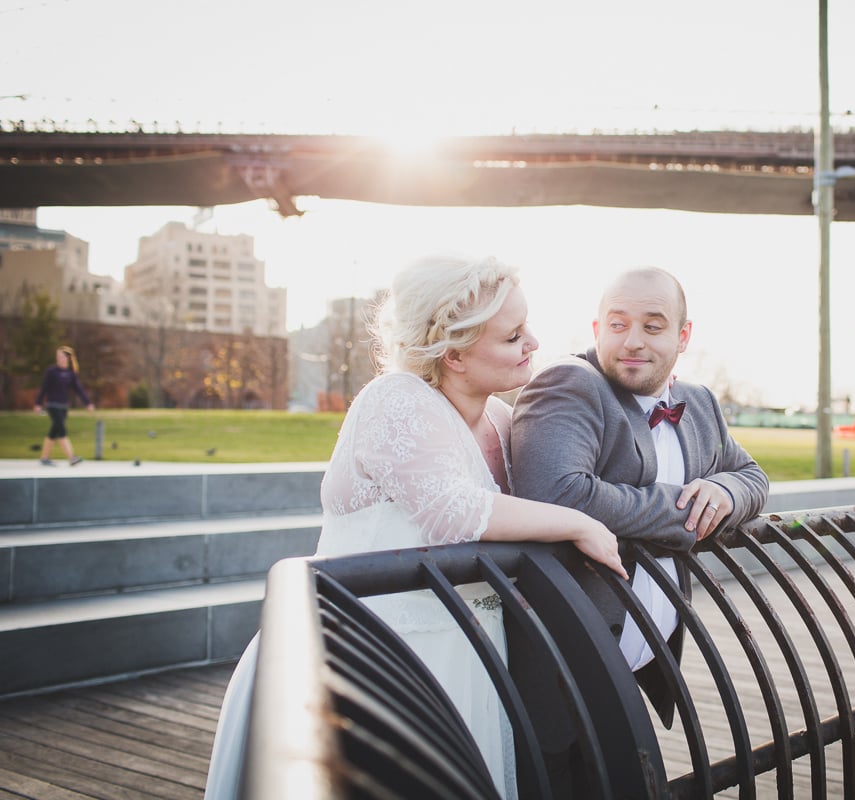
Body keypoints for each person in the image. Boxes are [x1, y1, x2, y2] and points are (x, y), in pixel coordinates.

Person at [203, 254, 626, 800]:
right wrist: (578, 523)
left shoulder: (500, 419)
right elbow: (452, 512)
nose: (533, 344)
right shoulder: (396, 400)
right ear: (452, 354)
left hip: (468, 653)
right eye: (513, 336)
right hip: (372, 655)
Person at [508, 266, 768, 792]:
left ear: (683, 335)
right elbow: (557, 494)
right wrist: (687, 516)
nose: (632, 341)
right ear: (597, 326)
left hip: (631, 661)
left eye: (653, 326)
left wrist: (724, 492)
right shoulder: (568, 384)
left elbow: (753, 476)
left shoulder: (698, 403)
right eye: (618, 323)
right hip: (562, 664)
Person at [34, 345, 94, 466]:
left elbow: (79, 389)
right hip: (52, 405)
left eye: (61, 356)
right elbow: (44, 388)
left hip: (63, 406)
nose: (59, 359)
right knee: (61, 430)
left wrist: (88, 403)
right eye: (58, 356)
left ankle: (44, 458)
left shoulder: (70, 373)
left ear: (67, 358)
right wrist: (38, 403)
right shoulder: (51, 371)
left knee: (54, 432)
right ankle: (72, 458)